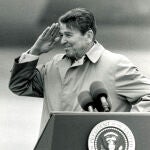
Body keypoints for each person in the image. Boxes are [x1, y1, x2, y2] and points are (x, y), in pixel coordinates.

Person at [9, 8, 150, 132]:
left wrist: (125, 128)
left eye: (68, 35)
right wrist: (36, 51)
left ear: (88, 36)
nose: (62, 40)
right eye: (62, 35)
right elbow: (19, 86)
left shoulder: (116, 64)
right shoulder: (54, 65)